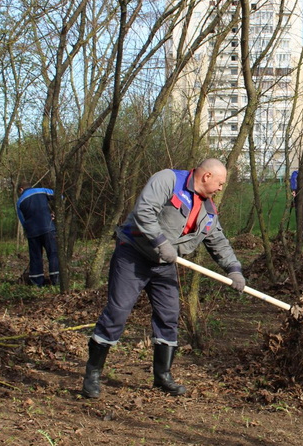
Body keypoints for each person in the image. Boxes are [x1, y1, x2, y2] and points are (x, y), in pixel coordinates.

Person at [82, 158, 246, 399]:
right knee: (117, 311)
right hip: (133, 254)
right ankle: (92, 374)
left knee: (169, 315)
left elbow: (218, 240)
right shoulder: (169, 179)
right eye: (220, 183)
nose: (221, 188)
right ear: (207, 176)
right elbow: (144, 210)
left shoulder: (208, 210)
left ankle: (162, 376)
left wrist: (234, 269)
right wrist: (160, 241)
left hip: (164, 263)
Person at [16, 183, 60, 287]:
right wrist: (55, 212)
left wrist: (28, 230)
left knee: (35, 257)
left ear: (21, 189)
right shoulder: (42, 190)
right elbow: (60, 196)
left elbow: (23, 220)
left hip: (32, 232)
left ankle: (37, 282)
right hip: (48, 228)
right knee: (53, 253)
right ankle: (56, 279)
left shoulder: (20, 201)